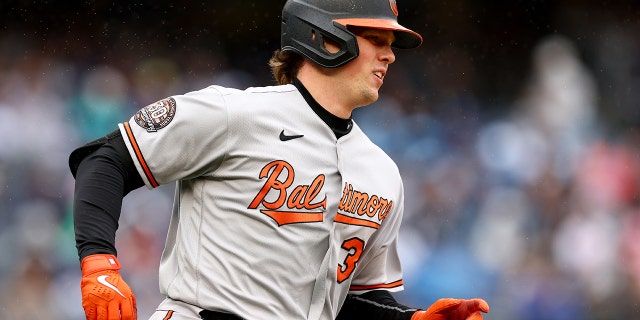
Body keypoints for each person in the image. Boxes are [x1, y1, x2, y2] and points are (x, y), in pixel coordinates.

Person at [69, 0, 491, 319]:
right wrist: (99, 263)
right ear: (325, 36)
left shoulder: (381, 172)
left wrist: (409, 318)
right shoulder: (235, 114)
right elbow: (105, 160)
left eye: (391, 44)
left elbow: (352, 299)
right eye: (376, 40)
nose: (390, 55)